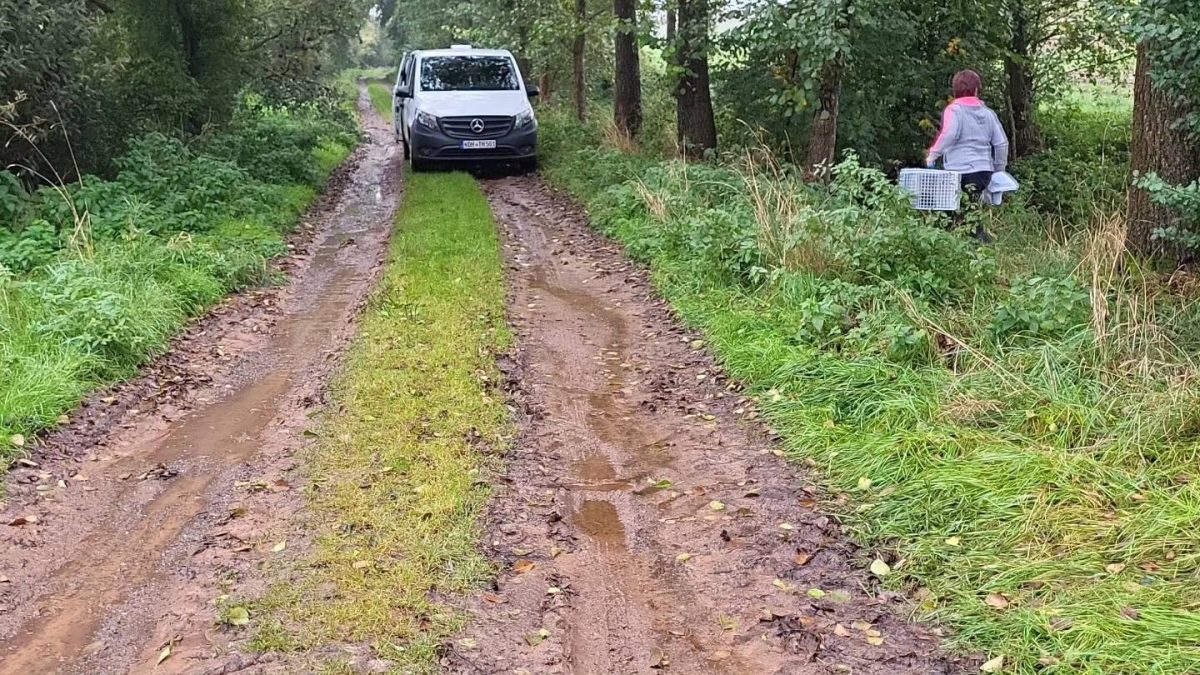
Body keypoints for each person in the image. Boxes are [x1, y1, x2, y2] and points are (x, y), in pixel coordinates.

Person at [925, 70, 1009, 242]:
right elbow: (1001, 144)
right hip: (983, 172)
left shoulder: (954, 110)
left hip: (959, 173)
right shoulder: (988, 113)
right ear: (977, 90)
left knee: (948, 214)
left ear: (954, 90)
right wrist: (998, 170)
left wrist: (932, 155)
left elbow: (950, 134)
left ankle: (955, 246)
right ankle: (980, 245)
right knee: (971, 211)